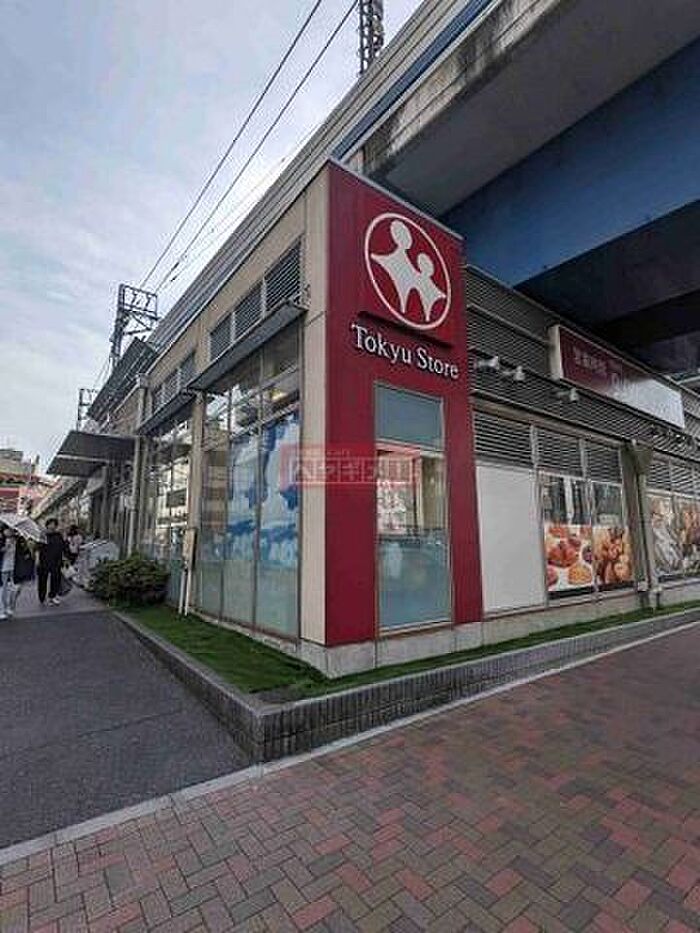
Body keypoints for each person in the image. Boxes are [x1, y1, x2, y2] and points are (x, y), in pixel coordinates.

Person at [0, 527, 35, 619]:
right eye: (7, 529)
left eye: (11, 529)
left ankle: (10, 607)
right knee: (3, 589)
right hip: (3, 568)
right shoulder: (1, 539)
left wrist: (27, 547)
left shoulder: (19, 540)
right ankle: (2, 610)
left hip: (16, 568)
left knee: (15, 589)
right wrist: (5, 548)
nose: (9, 531)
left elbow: (25, 552)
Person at [37, 518, 68, 606]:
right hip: (44, 560)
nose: (52, 526)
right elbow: (38, 548)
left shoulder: (58, 535)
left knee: (56, 579)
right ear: (47, 525)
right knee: (42, 580)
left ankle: (52, 596)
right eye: (50, 524)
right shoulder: (43, 535)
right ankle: (42, 597)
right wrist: (37, 560)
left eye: (54, 524)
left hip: (56, 561)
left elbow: (63, 547)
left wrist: (65, 539)